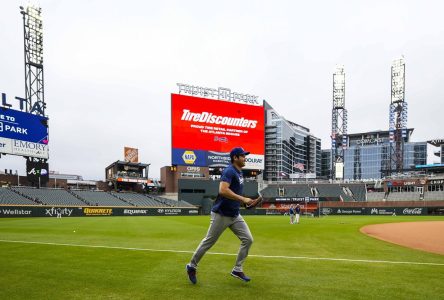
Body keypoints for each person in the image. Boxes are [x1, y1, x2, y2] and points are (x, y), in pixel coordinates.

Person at [186, 147, 261, 284]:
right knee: (209, 242)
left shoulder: (239, 173)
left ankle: (237, 269)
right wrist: (243, 199)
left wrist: (245, 203)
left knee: (248, 239)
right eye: (243, 156)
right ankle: (191, 266)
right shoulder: (229, 171)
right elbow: (223, 190)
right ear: (235, 158)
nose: (245, 158)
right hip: (221, 214)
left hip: (234, 214)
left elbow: (234, 193)